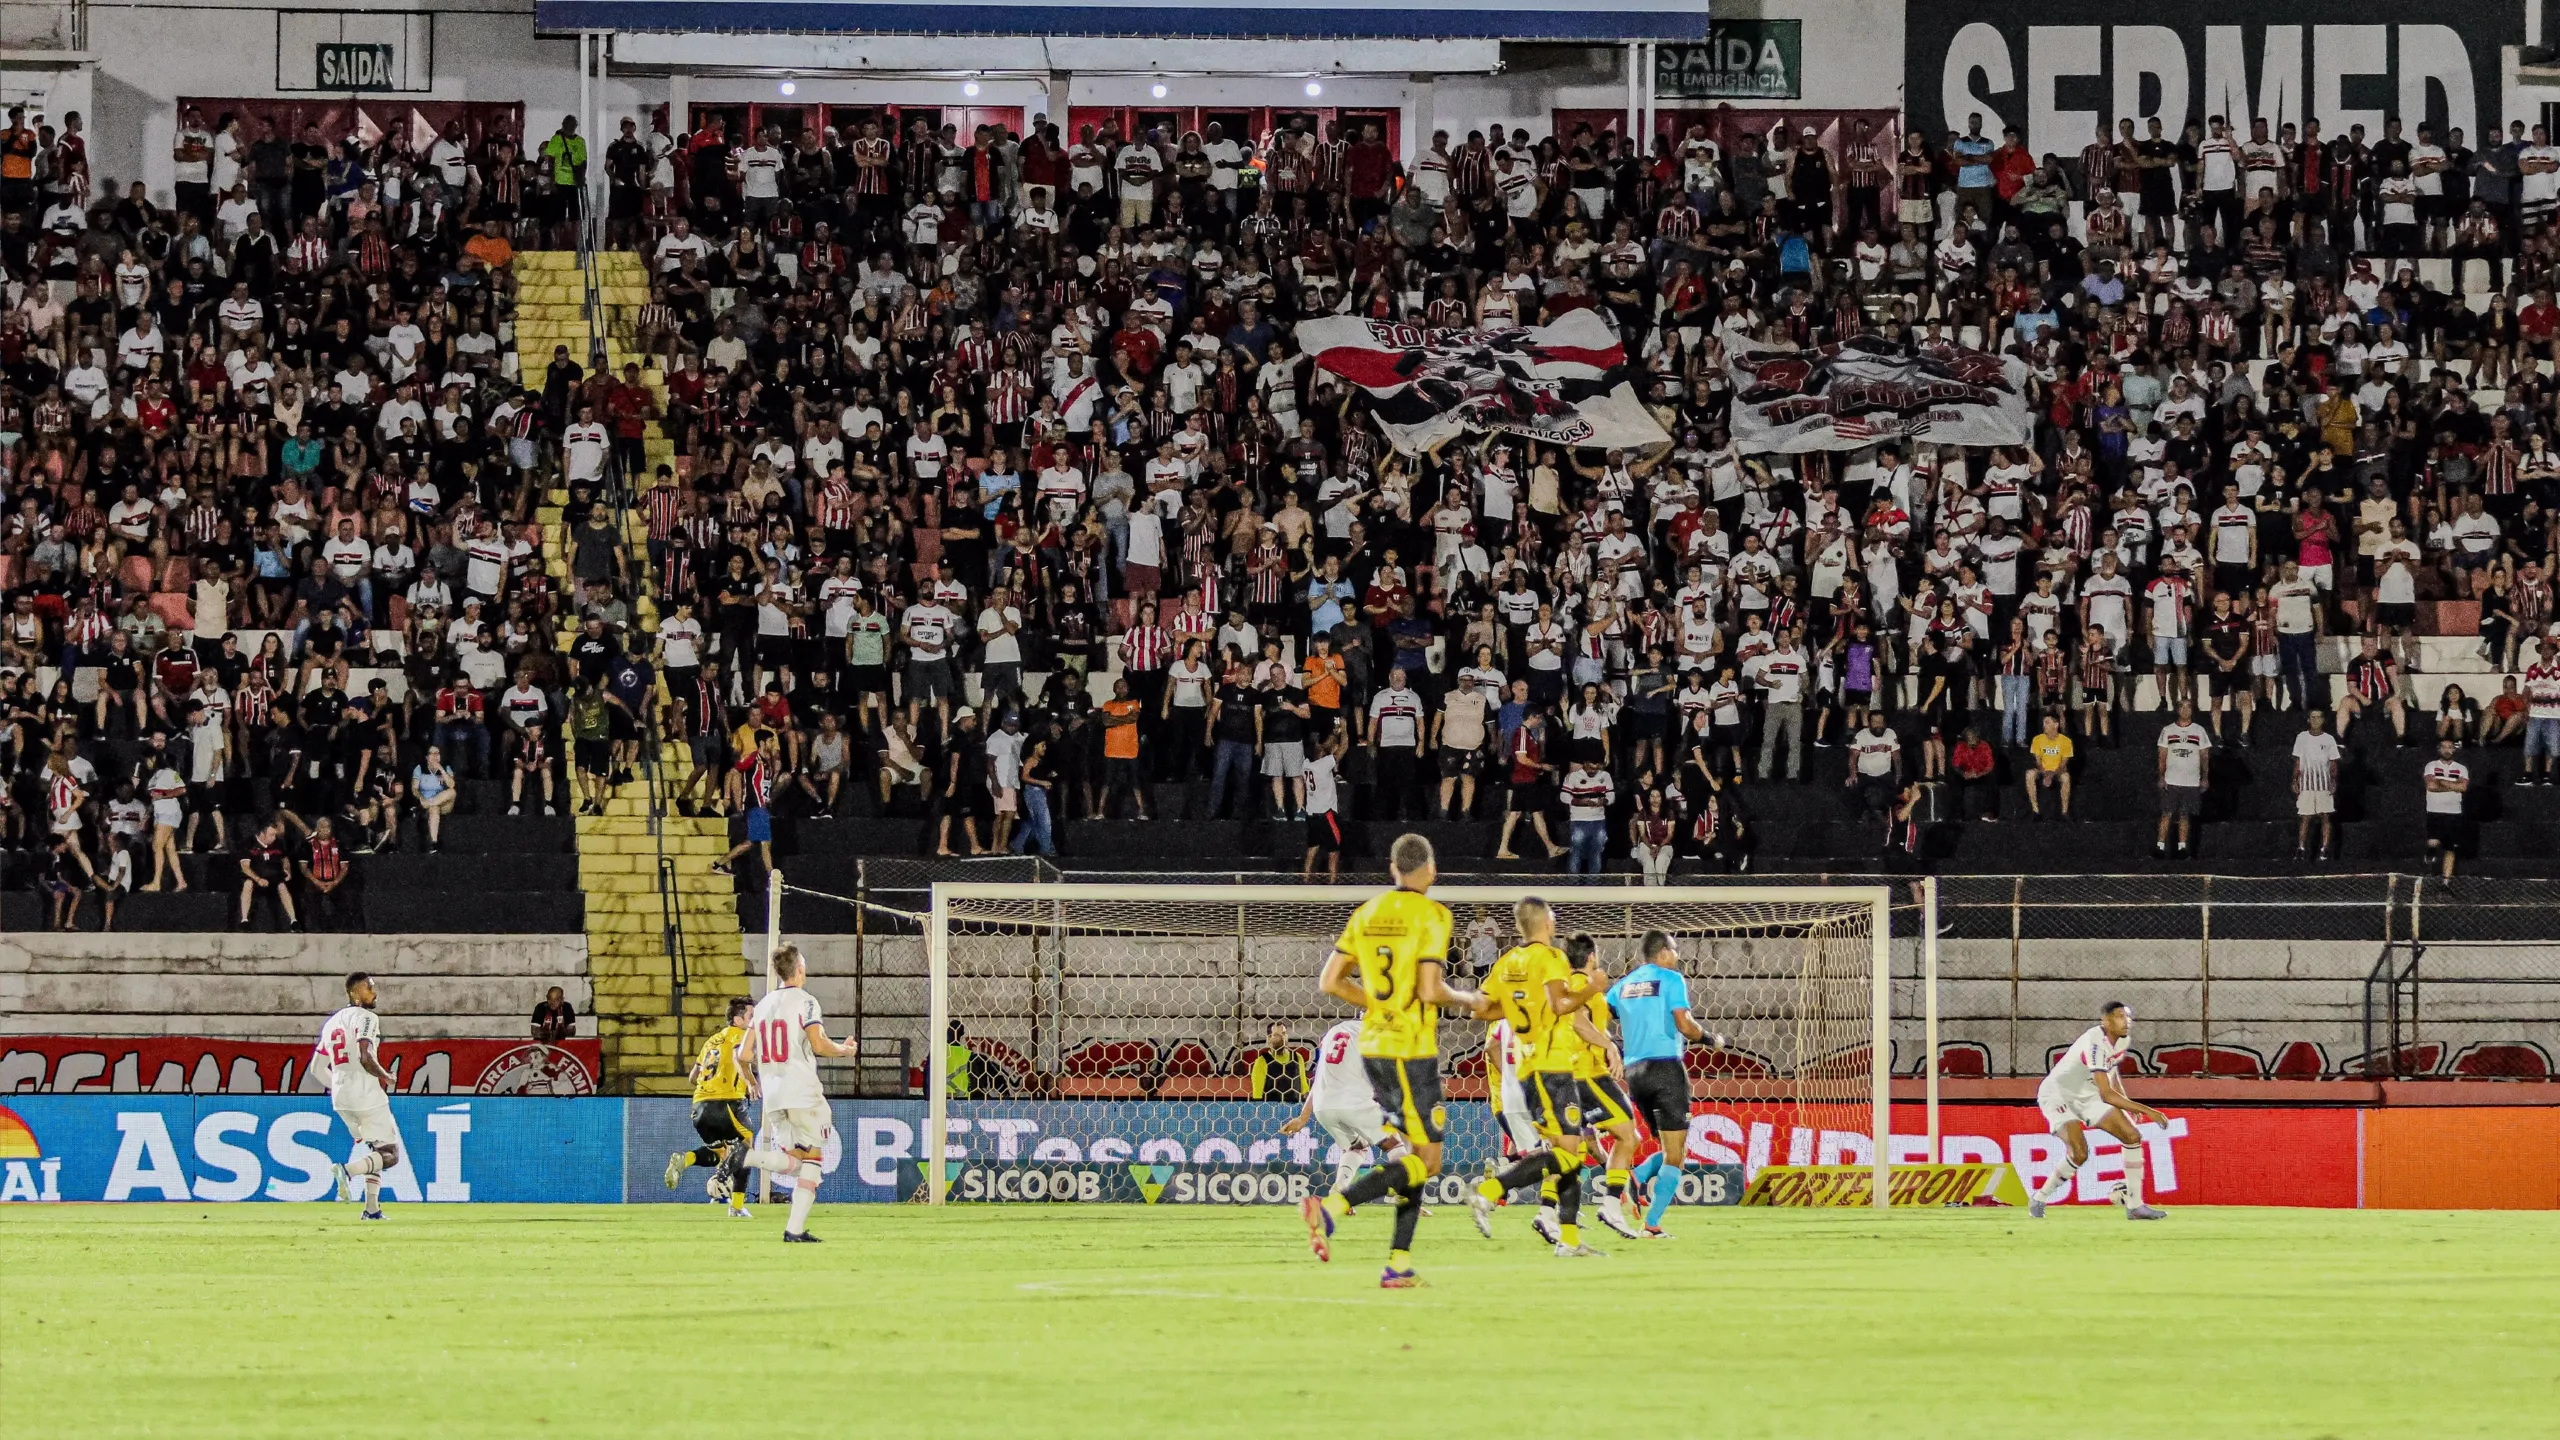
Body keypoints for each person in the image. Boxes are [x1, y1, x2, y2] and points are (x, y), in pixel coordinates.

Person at [1297, 833, 1489, 1286]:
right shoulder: (1433, 914)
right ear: (1432, 870)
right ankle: (1332, 1207)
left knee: (1412, 1158)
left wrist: (1379, 1005)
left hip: (1374, 1048)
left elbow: (1330, 981)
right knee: (1429, 1161)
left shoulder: (1367, 912)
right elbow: (1430, 989)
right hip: (1411, 1050)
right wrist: (1471, 999)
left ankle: (1398, 1265)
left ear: (1392, 869)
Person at [1466, 899, 1613, 1257]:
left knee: (1568, 1153)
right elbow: (1563, 1005)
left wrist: (1522, 1007)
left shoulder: (1506, 962)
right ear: (1547, 922)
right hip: (1552, 1066)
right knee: (1567, 1155)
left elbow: (1479, 1010)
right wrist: (1593, 987)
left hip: (1530, 1067)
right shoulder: (1552, 958)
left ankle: (1569, 1241)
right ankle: (1488, 1191)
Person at [734, 943, 862, 1242]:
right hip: (802, 1091)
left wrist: (754, 1081)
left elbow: (743, 1054)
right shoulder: (806, 1002)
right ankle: (750, 1161)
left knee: (799, 1163)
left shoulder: (763, 1005)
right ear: (800, 969)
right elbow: (818, 1044)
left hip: (773, 1096)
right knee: (813, 1162)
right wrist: (844, 1050)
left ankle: (747, 1159)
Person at [1609, 931, 1722, 1236]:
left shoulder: (1624, 985)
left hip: (1634, 1073)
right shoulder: (1671, 979)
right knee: (1676, 1153)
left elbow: (1596, 1015)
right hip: (1665, 1069)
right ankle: (1652, 1225)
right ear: (1662, 954)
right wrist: (1710, 1039)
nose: (1678, 955)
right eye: (1674, 949)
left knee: (1669, 1146)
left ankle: (1638, 1175)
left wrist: (1608, 1047)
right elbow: (1685, 1025)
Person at [2026, 1001, 2169, 1220]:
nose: (2127, 1021)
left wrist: (2125, 1101)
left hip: (2088, 1094)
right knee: (2079, 1153)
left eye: (2128, 1017)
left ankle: (2135, 1206)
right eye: (2120, 1016)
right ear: (2106, 1021)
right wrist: (2148, 1111)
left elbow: (2112, 1072)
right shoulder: (2094, 1043)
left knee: (2132, 1136)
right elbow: (2107, 1094)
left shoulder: (2122, 1040)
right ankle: (2040, 1197)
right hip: (2059, 1094)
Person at [1277, 1016, 1399, 1196]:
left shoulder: (1334, 1032)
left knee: (1356, 1147)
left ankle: (1338, 1193)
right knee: (1394, 1145)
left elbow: (1319, 1077)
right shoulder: (1375, 1035)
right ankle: (1408, 1200)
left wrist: (1303, 1117)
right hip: (1353, 1102)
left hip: (1323, 1106)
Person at [663, 995, 755, 1218]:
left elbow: (693, 1077)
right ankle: (736, 1204)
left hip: (699, 1106)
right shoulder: (740, 1035)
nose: (754, 1021)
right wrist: (751, 1081)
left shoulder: (711, 1041)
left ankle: (686, 1159)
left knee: (719, 1152)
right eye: (751, 1016)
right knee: (747, 1146)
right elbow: (740, 1058)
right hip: (727, 1102)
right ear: (738, 1020)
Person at [321, 972, 402, 1222]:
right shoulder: (366, 1017)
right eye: (369, 987)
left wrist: (340, 1086)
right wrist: (386, 1076)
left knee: (375, 1151)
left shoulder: (331, 1023)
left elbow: (316, 1068)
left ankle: (372, 1209)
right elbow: (365, 1056)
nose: (374, 993)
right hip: (365, 1094)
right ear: (356, 992)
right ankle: (347, 1171)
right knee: (390, 1154)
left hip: (341, 1099)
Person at [2155, 699, 2212, 857]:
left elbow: (2204, 756)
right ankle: (2160, 846)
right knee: (2166, 813)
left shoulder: (2199, 731)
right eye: (2182, 707)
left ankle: (2182, 847)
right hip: (2172, 780)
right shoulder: (2168, 730)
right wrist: (2161, 776)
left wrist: (2205, 777)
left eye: (2189, 707)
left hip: (2191, 781)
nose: (2186, 710)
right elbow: (2162, 755)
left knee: (2185, 814)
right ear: (2178, 710)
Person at [2293, 710, 2343, 862]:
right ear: (2308, 720)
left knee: (2325, 816)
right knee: (2305, 817)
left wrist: (2333, 781)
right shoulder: (2301, 738)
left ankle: (2325, 848)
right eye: (2313, 717)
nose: (2315, 720)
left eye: (2318, 717)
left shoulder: (2329, 739)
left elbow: (2333, 763)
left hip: (2324, 785)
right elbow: (2298, 761)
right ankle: (2301, 848)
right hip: (2306, 785)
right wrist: (2295, 779)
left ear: (2323, 720)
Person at [2423, 737, 2472, 891]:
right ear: (2439, 749)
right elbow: (2431, 785)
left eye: (2450, 747)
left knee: (2450, 848)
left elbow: (2463, 788)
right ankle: (2431, 853)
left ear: (2454, 750)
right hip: (2435, 810)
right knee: (2433, 842)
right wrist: (2453, 785)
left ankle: (2445, 883)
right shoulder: (2431, 765)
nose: (2447, 750)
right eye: (2444, 747)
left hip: (2454, 812)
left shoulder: (2461, 768)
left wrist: (2441, 781)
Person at [2025, 711, 2073, 819]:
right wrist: (2045, 773)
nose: (2044, 725)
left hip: (2057, 771)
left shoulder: (2066, 741)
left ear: (2056, 725)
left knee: (2066, 777)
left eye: (2047, 722)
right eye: (2043, 722)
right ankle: (2035, 811)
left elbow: (2063, 765)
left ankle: (2064, 812)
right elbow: (2038, 762)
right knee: (2029, 774)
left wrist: (2051, 775)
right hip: (2043, 770)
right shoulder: (2037, 739)